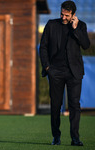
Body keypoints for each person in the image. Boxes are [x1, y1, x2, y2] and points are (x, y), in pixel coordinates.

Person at [39, 0, 90, 146]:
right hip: (55, 72)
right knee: (55, 106)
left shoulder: (81, 26)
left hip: (74, 73)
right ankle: (56, 137)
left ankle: (75, 138)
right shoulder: (51, 25)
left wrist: (75, 29)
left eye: (67, 15)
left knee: (75, 105)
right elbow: (43, 47)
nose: (63, 17)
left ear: (73, 15)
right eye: (62, 14)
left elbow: (86, 45)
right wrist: (47, 67)